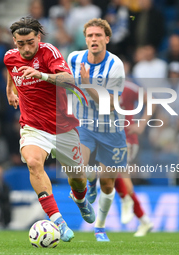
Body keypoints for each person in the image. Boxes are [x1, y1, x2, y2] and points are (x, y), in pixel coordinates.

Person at [3, 17, 94, 242]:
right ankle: (58, 221)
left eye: (30, 42)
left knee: (78, 179)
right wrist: (9, 90)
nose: (25, 48)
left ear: (39, 38)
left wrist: (41, 75)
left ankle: (80, 199)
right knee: (33, 163)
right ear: (14, 41)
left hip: (62, 127)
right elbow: (11, 70)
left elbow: (69, 80)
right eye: (20, 43)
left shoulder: (49, 53)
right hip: (33, 126)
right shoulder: (9, 57)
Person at [67, 18, 127, 241]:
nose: (94, 39)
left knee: (108, 182)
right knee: (79, 170)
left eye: (98, 36)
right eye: (90, 36)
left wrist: (88, 83)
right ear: (85, 39)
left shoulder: (115, 65)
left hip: (110, 127)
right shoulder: (73, 58)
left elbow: (110, 104)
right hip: (83, 125)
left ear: (107, 39)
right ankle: (88, 181)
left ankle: (100, 227)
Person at [116, 77, 154, 237]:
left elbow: (152, 101)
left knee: (117, 173)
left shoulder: (128, 87)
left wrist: (142, 124)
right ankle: (144, 220)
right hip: (109, 140)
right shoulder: (98, 88)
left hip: (127, 139)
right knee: (116, 178)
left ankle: (126, 201)